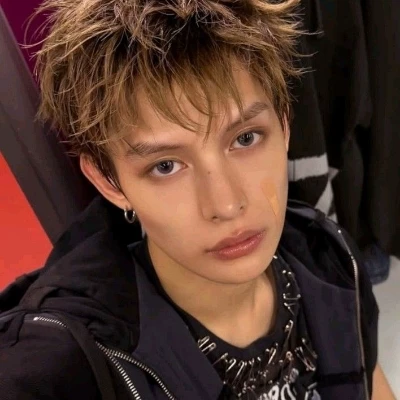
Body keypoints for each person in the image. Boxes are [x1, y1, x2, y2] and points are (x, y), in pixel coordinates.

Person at [0, 0, 395, 399]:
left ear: (284, 126)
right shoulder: (64, 362)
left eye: (245, 138)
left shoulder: (330, 257)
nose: (226, 205)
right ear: (109, 182)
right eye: (166, 166)